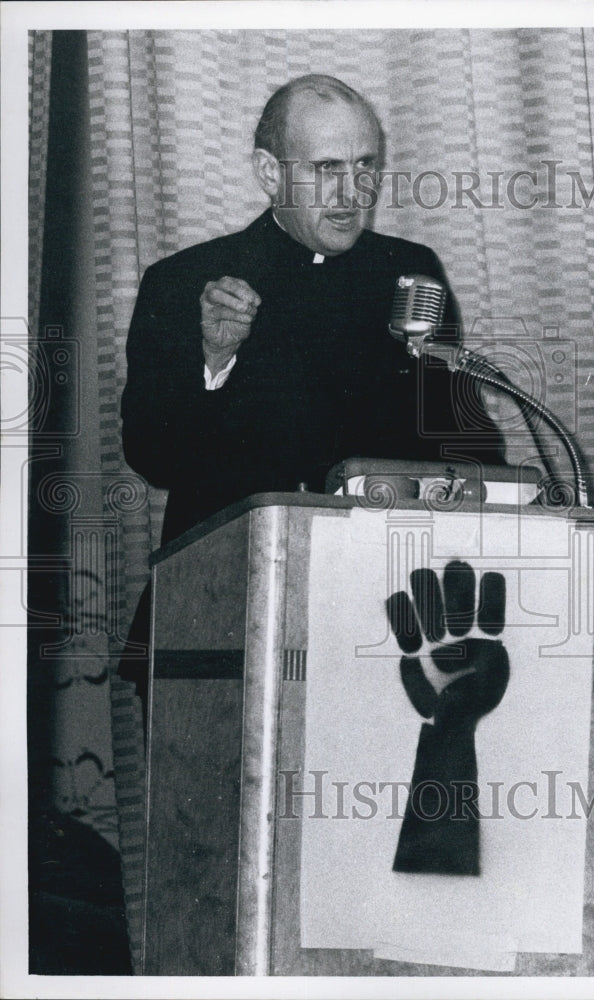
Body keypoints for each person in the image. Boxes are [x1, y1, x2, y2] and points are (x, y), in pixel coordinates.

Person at [118, 74, 504, 706]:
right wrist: (214, 358)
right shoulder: (183, 282)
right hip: (227, 617)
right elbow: (153, 458)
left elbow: (463, 436)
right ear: (269, 173)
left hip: (386, 621)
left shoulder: (408, 274)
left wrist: (508, 501)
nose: (352, 194)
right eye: (327, 169)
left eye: (364, 166)